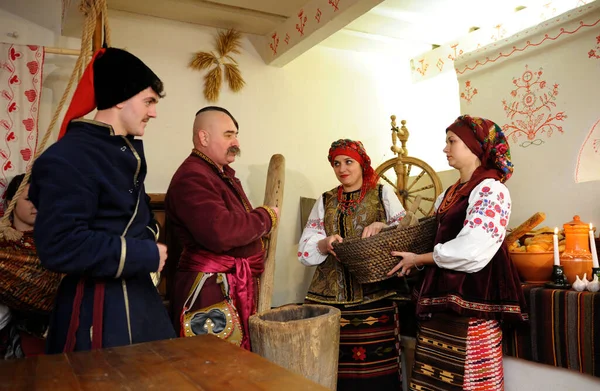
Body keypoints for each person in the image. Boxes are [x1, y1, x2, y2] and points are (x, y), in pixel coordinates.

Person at [28, 47, 176, 353]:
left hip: (139, 301)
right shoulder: (68, 157)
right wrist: (144, 253)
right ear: (120, 98)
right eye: (148, 101)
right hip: (96, 311)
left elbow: (141, 215)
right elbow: (60, 245)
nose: (154, 112)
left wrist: (149, 243)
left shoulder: (120, 152)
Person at [387, 115, 527, 391]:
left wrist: (420, 259)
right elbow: (430, 233)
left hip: (473, 296)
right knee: (436, 375)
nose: (445, 148)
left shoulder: (491, 189)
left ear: (474, 147)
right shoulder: (450, 192)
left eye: (452, 141)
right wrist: (389, 227)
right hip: (442, 297)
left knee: (470, 376)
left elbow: (472, 248)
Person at [166, 106, 278, 350]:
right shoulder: (192, 177)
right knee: (213, 368)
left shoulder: (217, 173)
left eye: (236, 134)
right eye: (228, 135)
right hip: (208, 291)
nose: (236, 141)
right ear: (203, 137)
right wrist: (266, 217)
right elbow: (222, 231)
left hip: (226, 285)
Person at [298, 139, 407, 390]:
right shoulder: (325, 200)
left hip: (376, 295)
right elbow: (304, 249)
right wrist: (324, 243)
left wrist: (383, 225)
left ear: (362, 163)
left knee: (378, 371)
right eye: (336, 163)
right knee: (335, 368)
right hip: (331, 300)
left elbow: (405, 228)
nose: (342, 168)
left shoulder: (381, 193)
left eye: (349, 162)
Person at [0, 174, 49, 358]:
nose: (36, 204)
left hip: (41, 335)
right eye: (29, 199)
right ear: (10, 202)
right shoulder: (3, 243)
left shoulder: (54, 243)